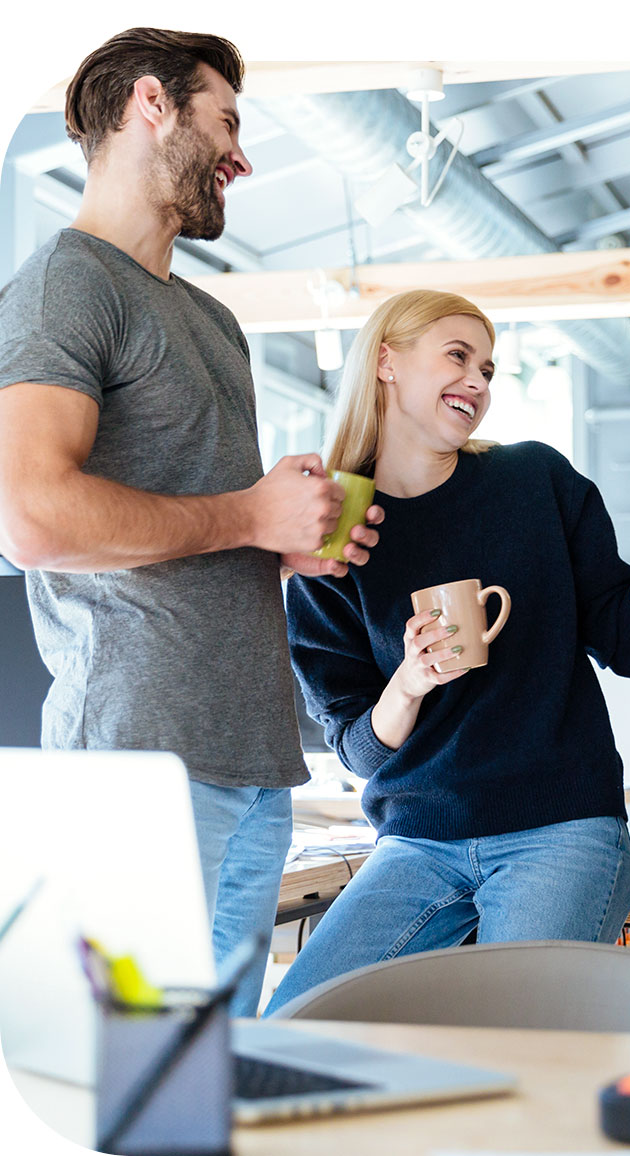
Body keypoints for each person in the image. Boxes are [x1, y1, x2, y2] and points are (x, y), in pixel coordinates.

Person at [0, 28, 380, 1015]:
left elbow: (201, 529)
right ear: (151, 107)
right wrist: (248, 512)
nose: (242, 156)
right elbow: (30, 516)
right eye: (227, 121)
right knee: (136, 1084)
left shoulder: (211, 319)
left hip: (253, 761)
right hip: (139, 764)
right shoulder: (63, 285)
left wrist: (282, 541)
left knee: (207, 1082)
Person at [262, 289, 630, 1013]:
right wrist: (406, 684)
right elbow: (356, 747)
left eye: (490, 369)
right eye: (458, 357)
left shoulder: (532, 480)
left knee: (519, 1027)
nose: (478, 382)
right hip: (416, 843)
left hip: (559, 831)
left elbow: (628, 646)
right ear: (386, 363)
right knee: (296, 1022)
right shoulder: (334, 528)